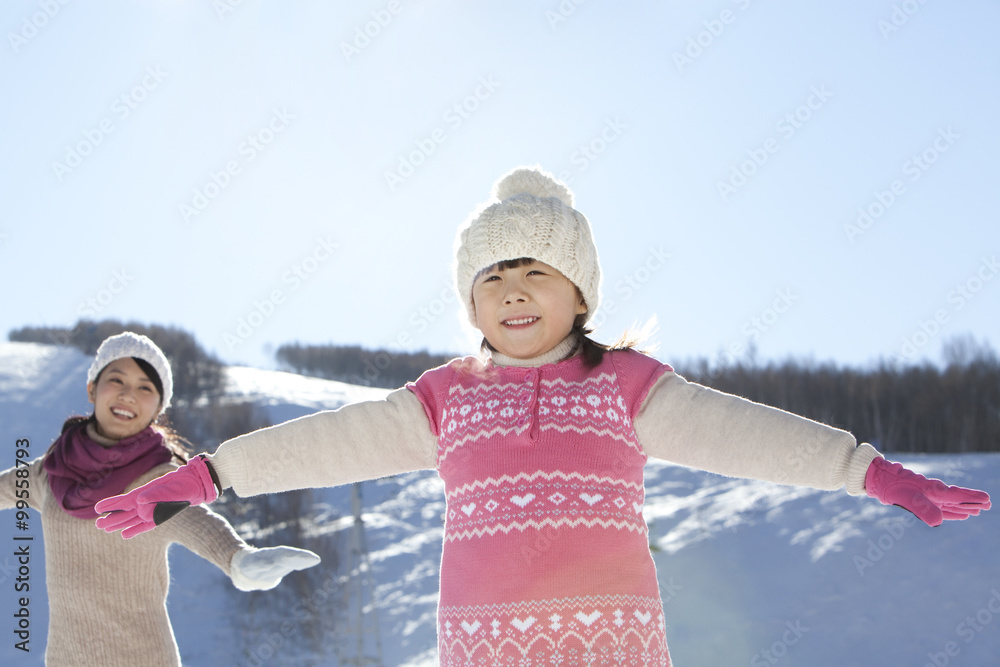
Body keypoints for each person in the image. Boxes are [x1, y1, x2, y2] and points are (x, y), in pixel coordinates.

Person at [96, 168, 991, 666]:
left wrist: (864, 467)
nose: (514, 291)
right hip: (484, 649)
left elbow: (747, 432)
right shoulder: (445, 398)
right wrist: (210, 475)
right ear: (471, 304)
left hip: (615, 643)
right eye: (493, 278)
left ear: (580, 293)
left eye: (537, 274)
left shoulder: (628, 386)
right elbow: (330, 441)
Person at [0, 332, 320, 666]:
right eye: (117, 379)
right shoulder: (50, 471)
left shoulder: (161, 477)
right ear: (92, 388)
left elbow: (201, 525)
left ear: (158, 407)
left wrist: (239, 560)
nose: (128, 395)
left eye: (145, 388)